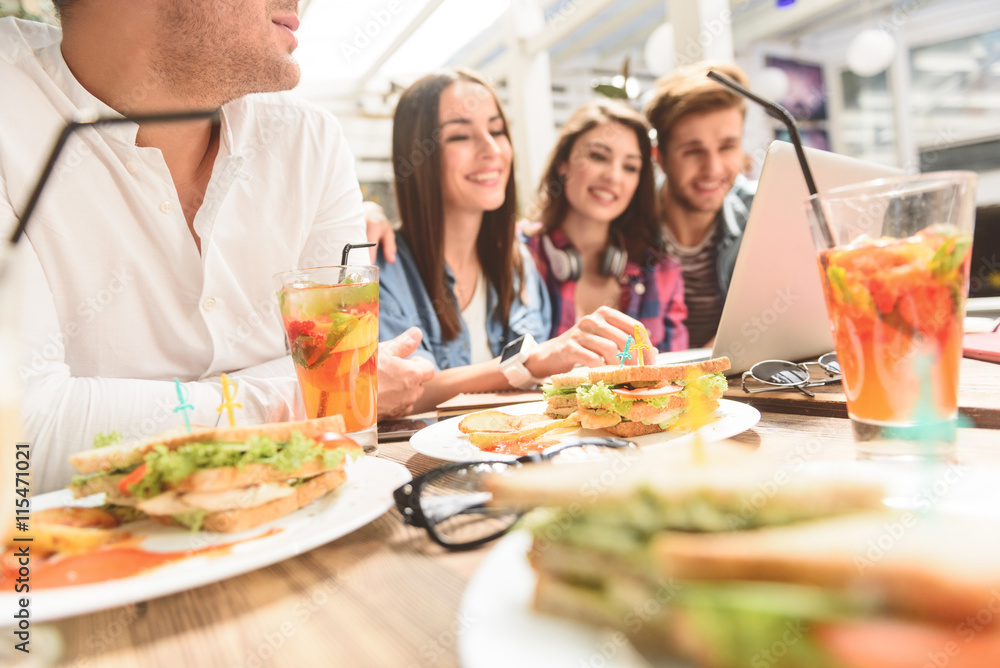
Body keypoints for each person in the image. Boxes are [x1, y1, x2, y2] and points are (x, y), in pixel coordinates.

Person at [0, 2, 433, 492]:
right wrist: (297, 396)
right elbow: (23, 441)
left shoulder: (308, 140)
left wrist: (139, 411)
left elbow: (345, 376)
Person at [377, 69, 644, 412]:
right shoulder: (384, 268)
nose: (491, 149)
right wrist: (530, 362)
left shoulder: (517, 263)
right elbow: (405, 390)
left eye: (497, 130)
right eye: (460, 136)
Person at [524, 100, 688, 352]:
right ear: (563, 163)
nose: (613, 176)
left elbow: (678, 378)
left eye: (630, 167)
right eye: (598, 156)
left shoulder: (660, 272)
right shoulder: (516, 256)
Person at [644, 61, 756, 348]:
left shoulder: (763, 212)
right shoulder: (627, 222)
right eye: (693, 151)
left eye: (727, 147)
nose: (713, 168)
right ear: (660, 157)